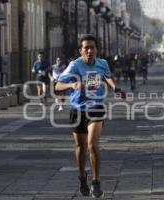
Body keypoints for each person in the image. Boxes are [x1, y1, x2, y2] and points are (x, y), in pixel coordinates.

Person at [55, 34, 126, 198]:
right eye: (85, 48)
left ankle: (96, 181)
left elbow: (107, 77)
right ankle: (82, 178)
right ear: (81, 50)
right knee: (80, 148)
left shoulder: (102, 64)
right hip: (78, 109)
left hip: (96, 107)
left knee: (92, 144)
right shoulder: (74, 66)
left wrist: (115, 88)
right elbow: (58, 85)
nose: (89, 50)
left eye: (92, 47)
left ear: (96, 49)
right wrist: (72, 84)